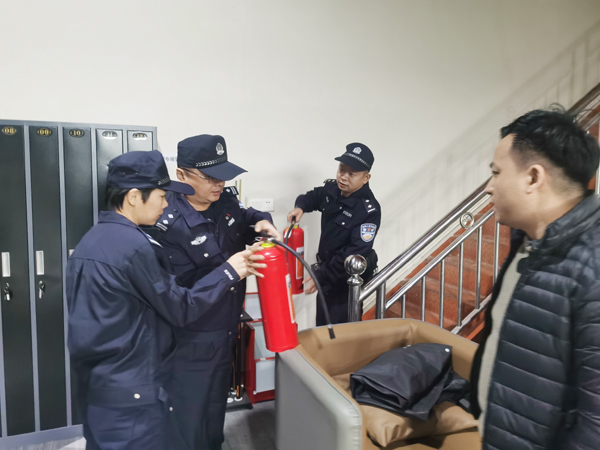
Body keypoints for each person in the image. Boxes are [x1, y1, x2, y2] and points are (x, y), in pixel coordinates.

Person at [66, 150, 265, 450]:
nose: (165, 203)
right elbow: (180, 308)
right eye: (160, 196)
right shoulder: (132, 246)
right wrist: (230, 271)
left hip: (100, 388)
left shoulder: (93, 240)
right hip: (130, 393)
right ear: (135, 197)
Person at [469, 107, 600, 449]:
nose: (489, 187)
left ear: (533, 178)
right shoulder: (530, 243)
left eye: (496, 173)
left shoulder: (592, 267)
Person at [145, 134, 281, 450]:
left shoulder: (225, 202)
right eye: (209, 177)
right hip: (188, 340)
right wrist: (230, 270)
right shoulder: (164, 222)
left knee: (214, 411)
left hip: (224, 332)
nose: (219, 184)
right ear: (181, 175)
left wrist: (263, 221)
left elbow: (246, 216)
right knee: (187, 420)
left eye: (223, 175)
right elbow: (173, 295)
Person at [287, 143, 380, 325]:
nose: (343, 177)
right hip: (327, 276)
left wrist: (322, 275)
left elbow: (355, 250)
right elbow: (313, 196)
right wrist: (301, 207)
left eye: (351, 174)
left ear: (366, 178)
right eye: (341, 169)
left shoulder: (368, 210)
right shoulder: (333, 190)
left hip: (346, 282)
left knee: (341, 332)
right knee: (324, 327)